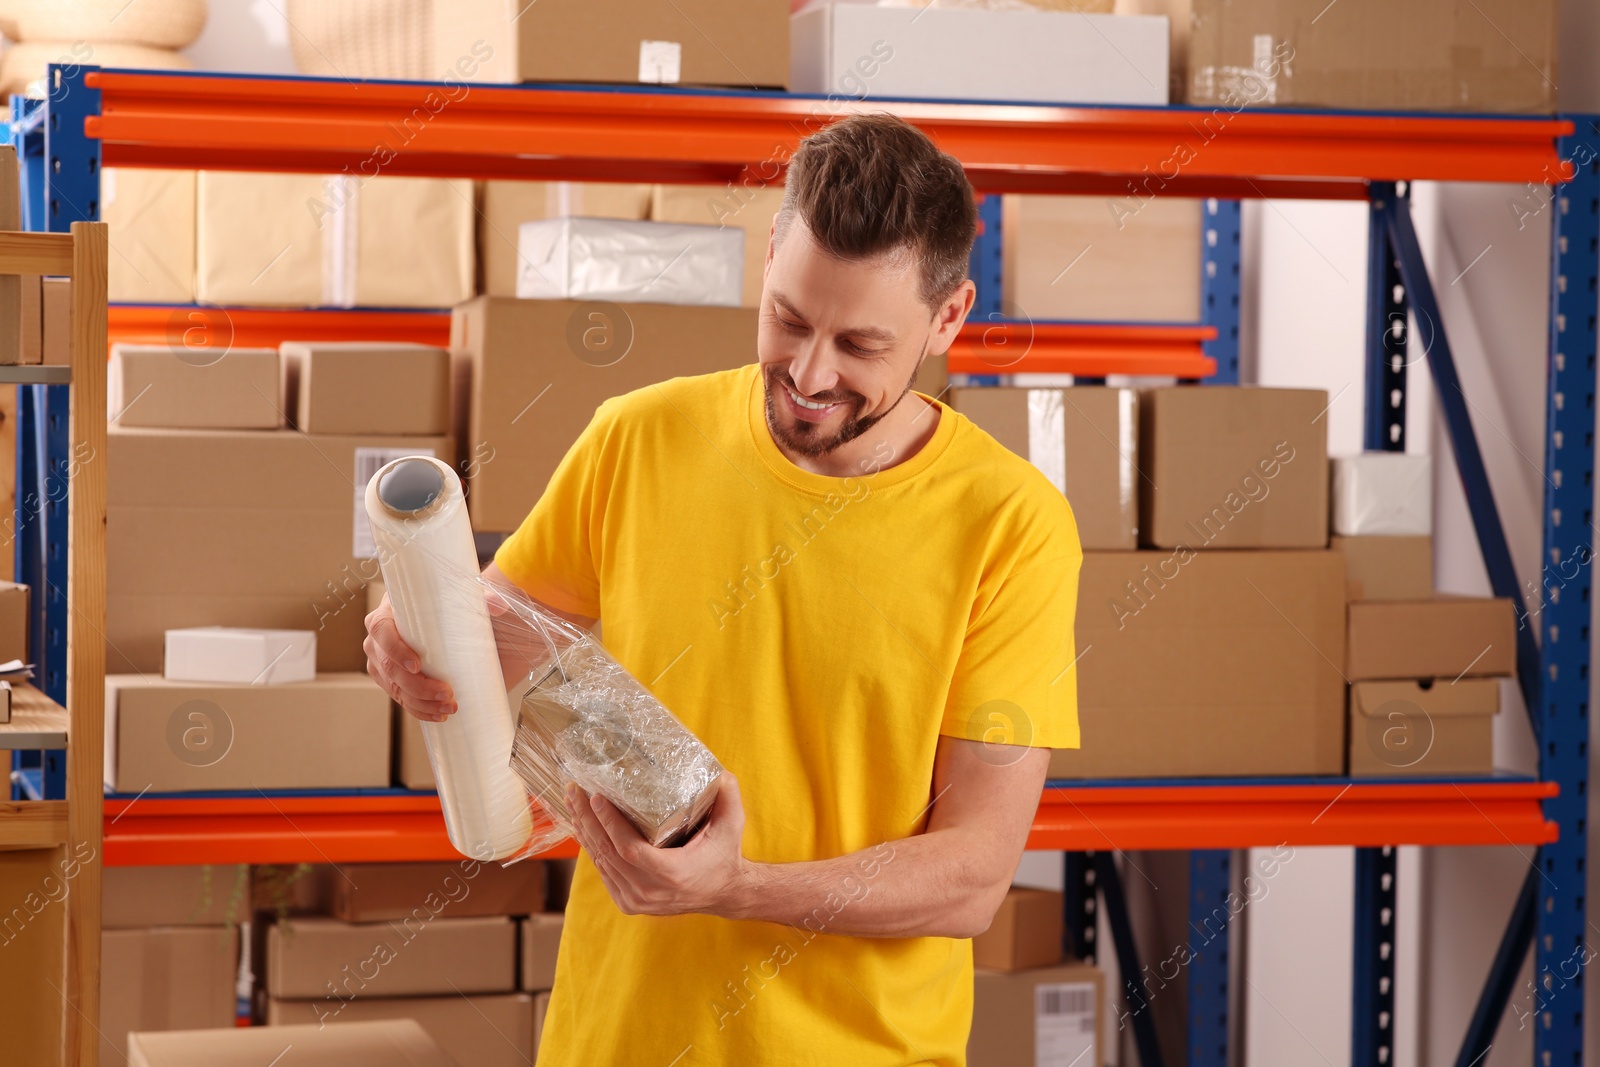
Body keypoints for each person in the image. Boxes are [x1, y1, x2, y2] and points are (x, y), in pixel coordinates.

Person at [365, 112, 1083, 1066]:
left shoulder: (1010, 524)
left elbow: (971, 877)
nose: (809, 372)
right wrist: (412, 645)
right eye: (789, 316)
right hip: (615, 1040)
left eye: (861, 345)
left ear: (949, 317)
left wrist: (735, 886)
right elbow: (487, 637)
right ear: (774, 248)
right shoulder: (639, 438)